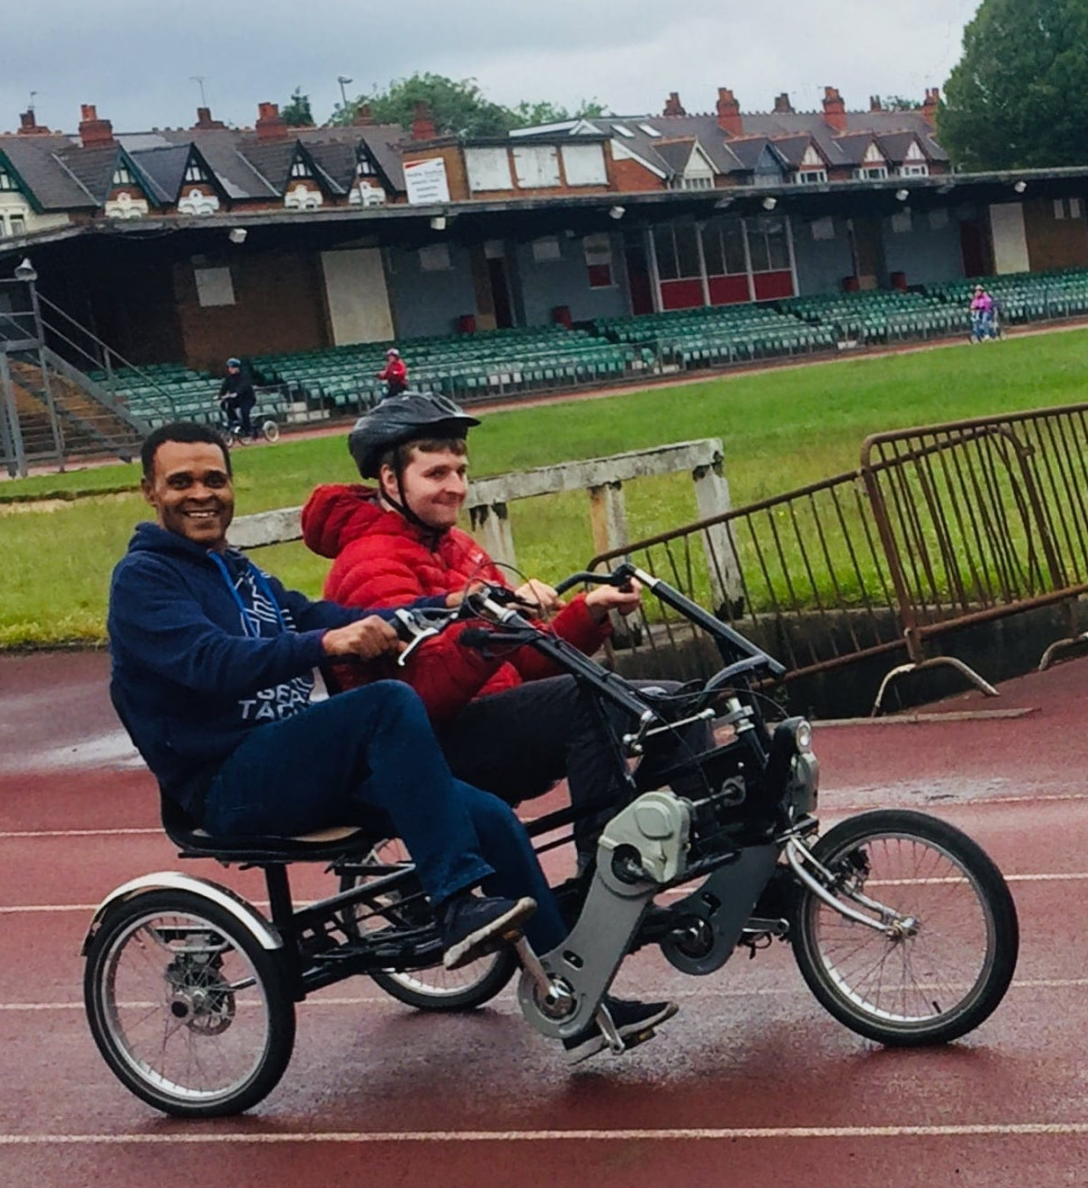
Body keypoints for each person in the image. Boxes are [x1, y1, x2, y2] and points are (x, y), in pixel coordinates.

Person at [112, 421, 672, 1059]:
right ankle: (456, 900)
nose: (201, 494)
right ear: (150, 492)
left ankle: (574, 999)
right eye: (181, 482)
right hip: (226, 782)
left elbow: (331, 616)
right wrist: (324, 644)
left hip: (293, 764)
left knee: (490, 818)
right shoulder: (143, 580)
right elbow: (211, 660)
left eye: (214, 480)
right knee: (384, 703)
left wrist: (451, 608)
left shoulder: (239, 573)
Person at [299, 393, 696, 876]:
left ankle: (722, 854)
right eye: (436, 473)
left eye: (461, 472)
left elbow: (525, 660)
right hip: (432, 745)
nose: (456, 488)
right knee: (588, 700)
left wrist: (587, 612)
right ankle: (607, 875)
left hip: (489, 722)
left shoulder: (456, 547)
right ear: (389, 479)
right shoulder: (368, 563)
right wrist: (493, 622)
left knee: (680, 704)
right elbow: (419, 696)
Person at [218, 357, 256, 437]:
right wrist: (220, 395)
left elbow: (243, 386)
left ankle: (248, 430)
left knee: (244, 411)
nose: (230, 369)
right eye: (229, 368)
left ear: (237, 368)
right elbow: (224, 387)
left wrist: (237, 392)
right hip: (236, 399)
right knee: (226, 405)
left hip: (247, 399)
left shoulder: (244, 376)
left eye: (232, 368)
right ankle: (235, 421)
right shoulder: (229, 378)